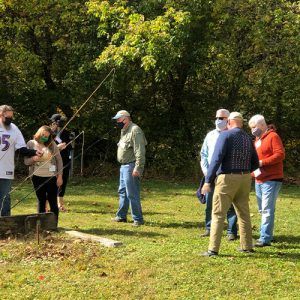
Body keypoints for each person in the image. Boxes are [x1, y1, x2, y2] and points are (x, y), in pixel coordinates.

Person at [201, 112, 259, 256]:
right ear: (241, 123)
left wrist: (208, 180)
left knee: (218, 213)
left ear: (230, 122)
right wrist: (245, 172)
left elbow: (216, 159)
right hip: (245, 178)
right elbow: (256, 163)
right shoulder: (248, 138)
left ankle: (213, 249)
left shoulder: (225, 135)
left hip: (227, 178)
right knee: (244, 213)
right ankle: (247, 246)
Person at [200, 109, 238, 240]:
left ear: (228, 120)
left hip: (227, 175)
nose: (218, 120)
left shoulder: (232, 135)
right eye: (217, 118)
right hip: (211, 175)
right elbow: (204, 155)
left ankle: (231, 231)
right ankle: (209, 228)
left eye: (221, 118)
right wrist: (207, 172)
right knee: (210, 203)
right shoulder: (210, 135)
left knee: (230, 204)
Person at [248, 114, 285, 247]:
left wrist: (262, 162)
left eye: (254, 127)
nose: (252, 130)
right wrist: (252, 172)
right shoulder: (257, 139)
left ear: (262, 125)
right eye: (251, 128)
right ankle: (267, 234)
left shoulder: (273, 136)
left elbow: (280, 154)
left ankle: (265, 238)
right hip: (259, 179)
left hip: (272, 179)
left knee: (267, 209)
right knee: (263, 209)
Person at [0, 105, 42, 216]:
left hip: (6, 169)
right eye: (7, 117)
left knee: (5, 197)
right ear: (1, 115)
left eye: (11, 117)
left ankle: (6, 223)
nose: (9, 119)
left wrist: (34, 152)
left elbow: (21, 149)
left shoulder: (14, 128)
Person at [111, 110, 147, 226]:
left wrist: (138, 168)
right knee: (122, 192)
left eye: (118, 120)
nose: (117, 122)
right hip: (123, 166)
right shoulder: (124, 130)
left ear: (125, 119)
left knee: (132, 193)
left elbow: (139, 151)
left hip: (131, 166)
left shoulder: (135, 130)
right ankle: (121, 216)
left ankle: (138, 219)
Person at [24, 125, 63, 221]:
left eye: (47, 136)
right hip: (37, 177)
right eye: (43, 135)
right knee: (41, 200)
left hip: (51, 177)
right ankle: (41, 226)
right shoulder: (30, 143)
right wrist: (34, 158)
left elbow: (59, 160)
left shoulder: (52, 144)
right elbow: (26, 162)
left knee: (52, 200)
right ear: (38, 133)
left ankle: (54, 225)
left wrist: (60, 176)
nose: (45, 137)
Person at [49, 113, 72, 211]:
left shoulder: (66, 133)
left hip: (64, 160)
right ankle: (46, 204)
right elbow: (44, 144)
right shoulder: (47, 133)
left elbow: (69, 146)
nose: (52, 124)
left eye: (53, 122)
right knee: (50, 181)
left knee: (63, 181)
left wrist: (65, 145)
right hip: (51, 161)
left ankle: (60, 204)